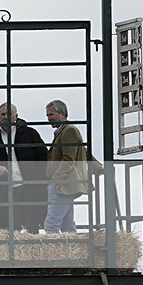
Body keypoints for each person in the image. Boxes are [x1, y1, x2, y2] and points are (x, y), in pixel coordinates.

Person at [0, 103, 48, 233]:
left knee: (32, 221)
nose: (5, 117)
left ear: (16, 116)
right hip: (4, 186)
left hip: (28, 184)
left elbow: (43, 156)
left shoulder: (30, 133)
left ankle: (32, 249)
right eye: (3, 114)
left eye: (9, 114)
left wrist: (40, 179)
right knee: (8, 223)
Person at [44, 100, 102, 233]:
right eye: (47, 115)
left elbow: (68, 158)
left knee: (52, 224)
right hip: (66, 184)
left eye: (51, 114)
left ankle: (54, 253)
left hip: (63, 184)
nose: (48, 118)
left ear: (62, 114)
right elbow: (82, 151)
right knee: (67, 224)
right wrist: (97, 166)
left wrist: (56, 179)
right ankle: (73, 252)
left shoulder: (68, 130)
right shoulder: (65, 131)